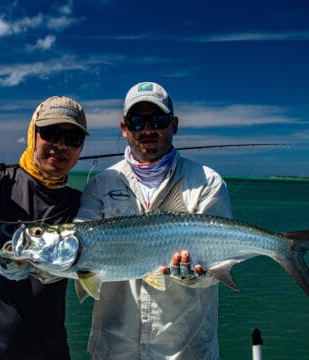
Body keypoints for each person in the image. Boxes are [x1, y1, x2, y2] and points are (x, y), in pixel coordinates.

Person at [75, 82, 233, 360]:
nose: (147, 130)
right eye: (137, 122)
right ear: (124, 128)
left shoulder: (207, 182)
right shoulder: (99, 186)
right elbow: (80, 255)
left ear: (174, 124)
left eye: (157, 120)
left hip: (185, 351)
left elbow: (217, 267)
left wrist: (196, 277)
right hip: (114, 350)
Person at [0, 95, 89, 359]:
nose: (60, 145)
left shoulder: (80, 205)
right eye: (50, 133)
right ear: (33, 133)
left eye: (73, 139)